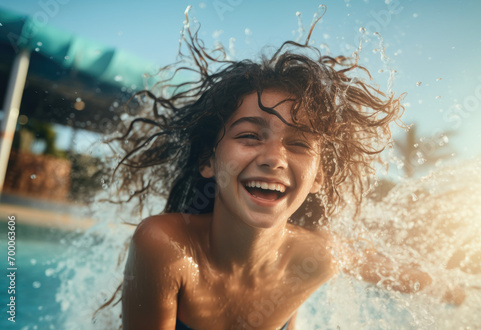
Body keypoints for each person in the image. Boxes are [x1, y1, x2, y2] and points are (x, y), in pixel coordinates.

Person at [106, 12, 433, 330]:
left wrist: (457, 290)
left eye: (299, 144)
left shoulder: (316, 258)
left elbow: (385, 271)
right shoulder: (165, 246)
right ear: (208, 160)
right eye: (249, 135)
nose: (274, 158)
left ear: (318, 176)